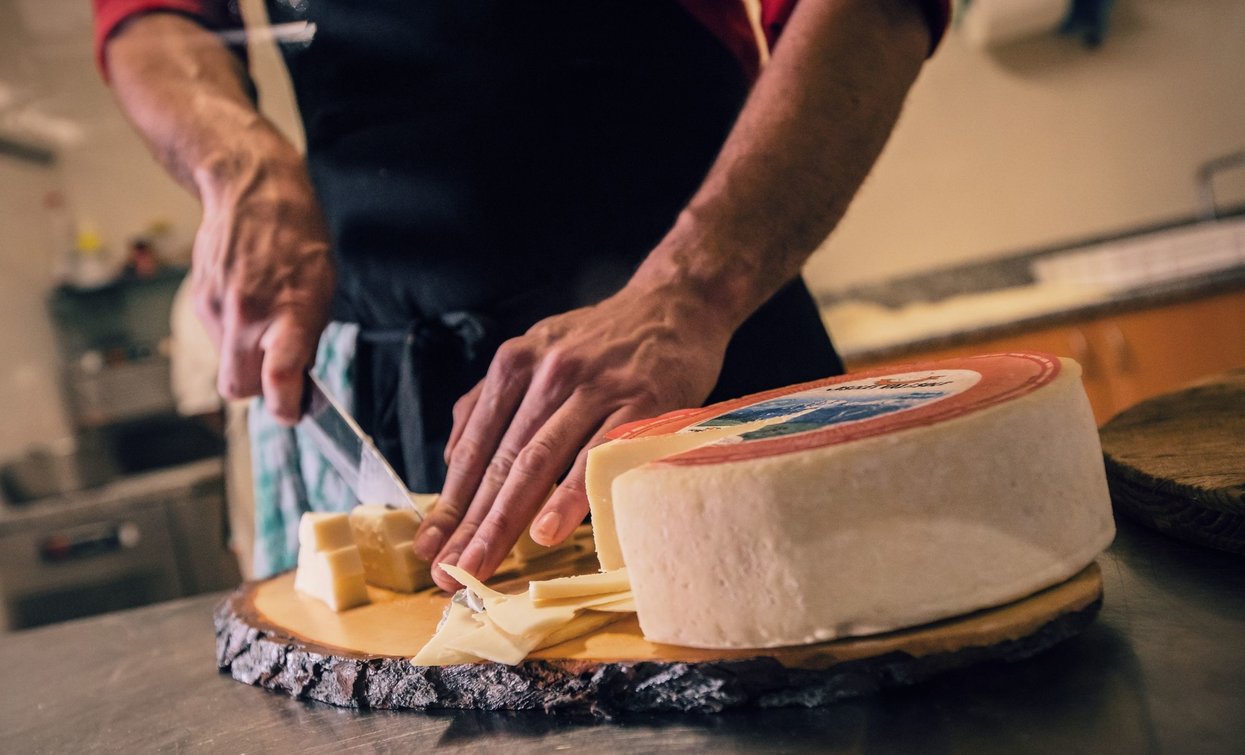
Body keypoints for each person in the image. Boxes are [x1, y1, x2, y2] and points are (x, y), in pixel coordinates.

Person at [94, 0, 948, 591]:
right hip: (379, 399)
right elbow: (149, 16)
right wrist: (233, 158)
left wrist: (690, 288)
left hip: (693, 350)